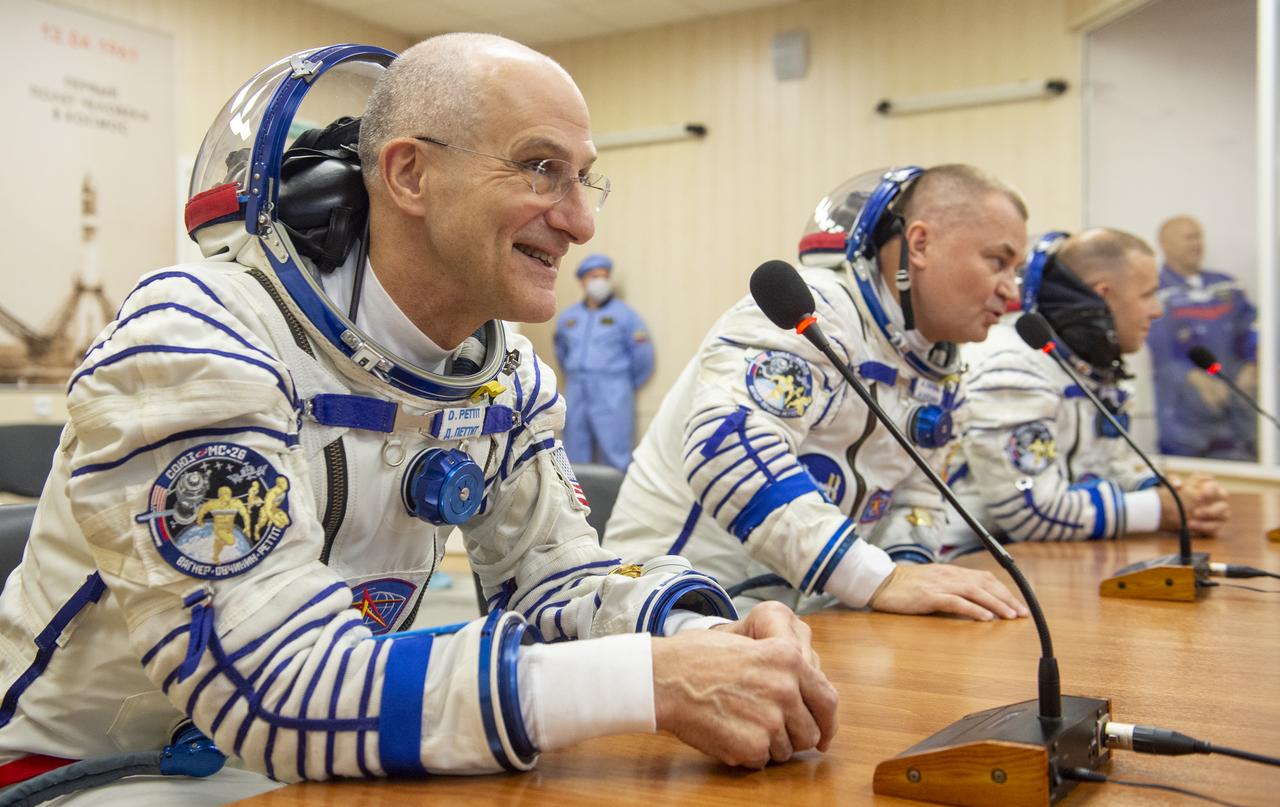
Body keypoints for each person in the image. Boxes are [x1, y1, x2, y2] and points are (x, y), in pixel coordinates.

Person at [0, 36, 836, 803]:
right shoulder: (194, 339)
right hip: (75, 772)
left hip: (293, 761)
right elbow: (279, 687)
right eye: (542, 169)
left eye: (584, 178)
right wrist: (647, 680)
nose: (581, 222)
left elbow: (554, 580)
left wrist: (711, 640)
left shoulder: (505, 377)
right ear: (407, 175)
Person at [604, 166, 1031, 621]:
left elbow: (917, 501)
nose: (1011, 292)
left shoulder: (940, 370)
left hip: (810, 612)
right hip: (674, 601)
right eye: (997, 262)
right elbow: (728, 453)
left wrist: (910, 574)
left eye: (1018, 271)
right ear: (921, 244)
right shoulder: (813, 314)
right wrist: (878, 580)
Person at [942, 229, 1230, 558]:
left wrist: (1174, 495)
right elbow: (1031, 512)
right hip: (970, 564)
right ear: (1104, 295)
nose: (1157, 311)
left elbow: (1107, 467)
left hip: (1043, 561)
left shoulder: (1093, 365)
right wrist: (1157, 510)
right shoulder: (1010, 364)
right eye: (1148, 295)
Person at [1147, 216, 1258, 460]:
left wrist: (1252, 363)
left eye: (1199, 236)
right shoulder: (1155, 290)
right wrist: (1194, 377)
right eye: (1189, 237)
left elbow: (1251, 326)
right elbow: (1161, 349)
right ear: (1165, 244)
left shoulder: (1226, 285)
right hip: (1186, 426)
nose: (1196, 244)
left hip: (1238, 422)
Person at [554, 253, 655, 470]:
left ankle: (614, 502)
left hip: (612, 389)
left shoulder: (624, 315)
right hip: (576, 387)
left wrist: (623, 384)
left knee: (615, 451)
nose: (599, 281)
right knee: (573, 450)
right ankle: (574, 501)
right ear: (582, 281)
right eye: (593, 276)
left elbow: (643, 356)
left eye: (604, 276)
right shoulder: (568, 318)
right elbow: (561, 352)